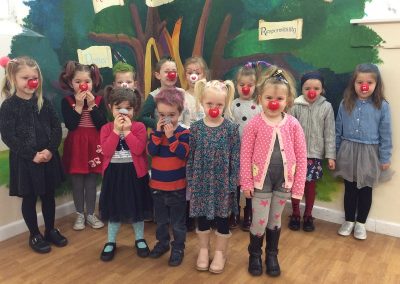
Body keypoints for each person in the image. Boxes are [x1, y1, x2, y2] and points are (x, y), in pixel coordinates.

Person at [240, 66, 307, 277]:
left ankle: (272, 254)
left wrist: (298, 187)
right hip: (262, 180)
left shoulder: (294, 125)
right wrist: (247, 183)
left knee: (274, 220)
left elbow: (301, 156)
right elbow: (245, 155)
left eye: (279, 98)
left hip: (283, 181)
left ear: (287, 100)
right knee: (259, 220)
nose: (273, 102)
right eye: (269, 97)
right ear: (260, 98)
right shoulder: (254, 124)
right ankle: (254, 254)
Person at [0, 56, 67, 253]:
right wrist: (32, 155)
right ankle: (34, 234)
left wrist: (49, 150)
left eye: (34, 77)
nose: (31, 82)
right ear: (13, 79)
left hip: (47, 158)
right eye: (25, 78)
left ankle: (51, 230)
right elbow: (8, 136)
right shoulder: (9, 106)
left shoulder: (43, 101)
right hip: (26, 161)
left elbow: (56, 127)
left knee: (48, 196)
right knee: (29, 198)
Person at [187, 79, 240, 274]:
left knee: (222, 219)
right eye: (210, 104)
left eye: (219, 104)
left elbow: (235, 158)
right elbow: (191, 156)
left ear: (225, 104)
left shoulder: (231, 129)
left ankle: (220, 252)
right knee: (202, 217)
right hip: (201, 181)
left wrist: (233, 182)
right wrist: (191, 180)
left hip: (222, 183)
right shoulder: (195, 128)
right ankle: (203, 249)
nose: (214, 108)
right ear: (202, 101)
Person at [335, 63, 392, 240]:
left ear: (376, 85)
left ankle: (361, 223)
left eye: (369, 82)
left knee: (366, 190)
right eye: (360, 82)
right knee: (350, 189)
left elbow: (386, 132)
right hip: (348, 150)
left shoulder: (382, 106)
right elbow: (338, 129)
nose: (364, 86)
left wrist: (385, 157)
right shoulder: (346, 103)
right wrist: (334, 152)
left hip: (369, 152)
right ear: (354, 83)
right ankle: (349, 220)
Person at [99, 87, 150, 261]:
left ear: (134, 110)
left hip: (134, 175)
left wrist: (127, 131)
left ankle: (140, 238)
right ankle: (111, 241)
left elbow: (138, 149)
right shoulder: (106, 128)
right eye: (118, 108)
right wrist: (116, 131)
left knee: (136, 208)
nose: (123, 112)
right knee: (114, 209)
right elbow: (106, 151)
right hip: (114, 175)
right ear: (110, 108)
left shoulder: (139, 127)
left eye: (128, 108)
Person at [59, 61, 107, 230]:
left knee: (91, 183)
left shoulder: (99, 100)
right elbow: (71, 125)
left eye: (86, 81)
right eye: (77, 81)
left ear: (93, 82)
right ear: (71, 83)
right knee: (77, 183)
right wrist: (79, 106)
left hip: (93, 145)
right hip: (76, 146)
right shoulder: (67, 101)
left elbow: (102, 124)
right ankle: (80, 214)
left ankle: (91, 215)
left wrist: (92, 105)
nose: (82, 85)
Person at [288, 71, 336, 232]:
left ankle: (308, 215)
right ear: (301, 88)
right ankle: (295, 213)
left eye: (316, 88)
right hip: (295, 154)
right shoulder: (295, 106)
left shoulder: (326, 107)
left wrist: (330, 155)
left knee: (310, 186)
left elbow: (329, 132)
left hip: (314, 155)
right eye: (307, 87)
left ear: (322, 89)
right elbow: (287, 130)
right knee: (295, 185)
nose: (311, 91)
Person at [147, 88, 189, 267]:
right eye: (162, 114)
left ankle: (178, 248)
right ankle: (162, 243)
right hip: (157, 186)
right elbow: (151, 152)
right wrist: (157, 134)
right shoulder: (155, 133)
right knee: (161, 221)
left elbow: (183, 154)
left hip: (177, 188)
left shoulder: (184, 134)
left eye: (171, 114)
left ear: (180, 113)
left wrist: (171, 137)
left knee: (178, 223)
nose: (166, 119)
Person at [230, 63, 262, 231]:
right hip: (235, 151)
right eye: (242, 85)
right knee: (235, 184)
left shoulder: (259, 106)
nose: (245, 88)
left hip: (252, 153)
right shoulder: (231, 104)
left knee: (250, 183)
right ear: (236, 85)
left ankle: (249, 212)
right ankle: (234, 212)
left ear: (255, 86)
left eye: (249, 85)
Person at [182, 56, 209, 231]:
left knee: (204, 180)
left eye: (197, 72)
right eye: (190, 72)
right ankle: (189, 215)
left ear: (203, 74)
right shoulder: (181, 95)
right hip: (188, 144)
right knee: (189, 180)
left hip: (206, 145)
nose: (193, 76)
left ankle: (204, 215)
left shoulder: (209, 94)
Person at [139, 56, 190, 129]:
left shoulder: (181, 92)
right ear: (158, 75)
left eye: (174, 72)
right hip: (162, 135)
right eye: (166, 72)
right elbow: (142, 117)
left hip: (181, 135)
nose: (171, 75)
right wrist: (158, 124)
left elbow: (186, 113)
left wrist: (187, 130)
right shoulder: (154, 96)